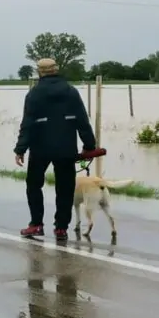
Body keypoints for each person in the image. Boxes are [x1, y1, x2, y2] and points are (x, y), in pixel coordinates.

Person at [13, 58, 96, 241]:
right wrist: (89, 145)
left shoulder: (34, 94)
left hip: (40, 148)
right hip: (66, 148)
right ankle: (61, 228)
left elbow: (27, 124)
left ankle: (36, 224)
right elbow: (82, 121)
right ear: (56, 70)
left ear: (39, 72)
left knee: (34, 185)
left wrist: (20, 149)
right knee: (65, 188)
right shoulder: (71, 91)